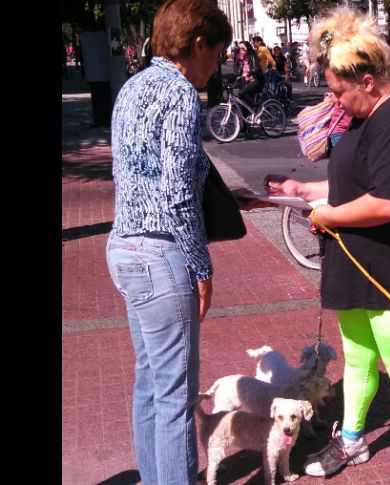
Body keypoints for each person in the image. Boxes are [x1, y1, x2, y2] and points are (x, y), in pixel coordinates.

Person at [266, 8, 390, 484]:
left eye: (340, 91)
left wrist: (325, 215)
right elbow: (352, 189)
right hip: (356, 261)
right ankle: (352, 438)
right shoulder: (365, 119)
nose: (336, 101)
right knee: (360, 359)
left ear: (367, 80)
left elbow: (388, 203)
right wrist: (302, 194)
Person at [105, 1, 232, 483]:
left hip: (125, 248)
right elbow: (177, 193)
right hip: (162, 254)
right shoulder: (180, 94)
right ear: (197, 43)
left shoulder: (132, 87)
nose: (215, 67)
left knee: (151, 385)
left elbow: (142, 174)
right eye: (216, 55)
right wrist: (202, 269)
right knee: (177, 396)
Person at [234, 40, 266, 107]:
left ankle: (256, 107)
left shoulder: (252, 56)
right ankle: (248, 114)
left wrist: (248, 73)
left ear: (248, 48)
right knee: (243, 103)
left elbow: (255, 69)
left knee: (241, 93)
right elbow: (240, 71)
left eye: (243, 49)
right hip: (247, 81)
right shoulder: (242, 58)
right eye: (239, 49)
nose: (241, 50)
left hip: (256, 80)